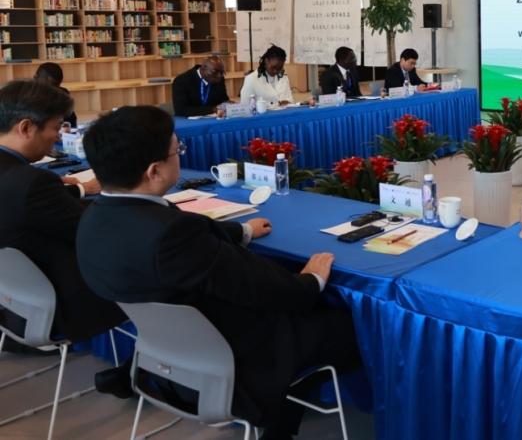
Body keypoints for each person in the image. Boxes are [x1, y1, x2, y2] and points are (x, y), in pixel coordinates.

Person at [76, 106, 360, 439]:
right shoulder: (173, 236)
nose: (180, 156)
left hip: (167, 345)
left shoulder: (94, 216)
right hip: (237, 349)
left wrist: (243, 231)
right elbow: (266, 288)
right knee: (349, 325)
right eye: (177, 151)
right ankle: (282, 415)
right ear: (154, 171)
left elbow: (172, 235)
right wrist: (311, 279)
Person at [0, 81, 125, 386]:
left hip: (13, 299)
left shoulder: (23, 179)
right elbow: (94, 236)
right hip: (65, 301)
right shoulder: (32, 183)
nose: (59, 136)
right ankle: (147, 373)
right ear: (26, 127)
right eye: (56, 127)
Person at [34, 61, 77, 127]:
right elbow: (72, 122)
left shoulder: (33, 96)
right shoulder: (63, 94)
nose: (34, 77)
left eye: (37, 75)